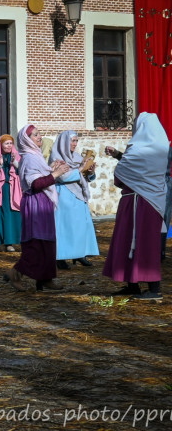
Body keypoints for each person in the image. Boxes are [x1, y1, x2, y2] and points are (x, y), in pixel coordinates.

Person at [103, 113, 169, 300]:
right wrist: (119, 155)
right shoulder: (161, 148)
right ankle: (133, 284)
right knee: (139, 241)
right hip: (151, 201)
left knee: (142, 242)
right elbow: (139, 169)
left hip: (138, 202)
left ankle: (154, 289)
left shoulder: (137, 149)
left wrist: (121, 163)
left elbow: (121, 175)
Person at [3, 125, 70, 293]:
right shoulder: (30, 158)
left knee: (47, 242)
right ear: (27, 140)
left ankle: (45, 278)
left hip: (42, 202)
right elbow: (36, 184)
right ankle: (15, 273)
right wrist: (56, 174)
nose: (40, 137)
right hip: (36, 204)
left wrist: (52, 169)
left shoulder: (35, 155)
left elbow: (40, 176)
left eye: (39, 134)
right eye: (35, 135)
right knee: (37, 242)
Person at [50, 131, 99, 269]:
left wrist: (90, 172)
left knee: (80, 227)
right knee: (65, 227)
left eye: (76, 141)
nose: (75, 144)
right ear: (64, 142)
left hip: (79, 195)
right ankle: (60, 257)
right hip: (64, 195)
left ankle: (80, 254)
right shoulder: (57, 157)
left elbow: (86, 177)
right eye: (72, 141)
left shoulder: (77, 157)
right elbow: (62, 177)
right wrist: (81, 169)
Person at [0, 134, 22, 252]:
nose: (9, 145)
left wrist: (14, 162)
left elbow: (22, 171)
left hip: (12, 189)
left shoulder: (17, 156)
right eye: (6, 143)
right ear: (0, 145)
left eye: (11, 143)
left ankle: (9, 242)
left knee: (10, 214)